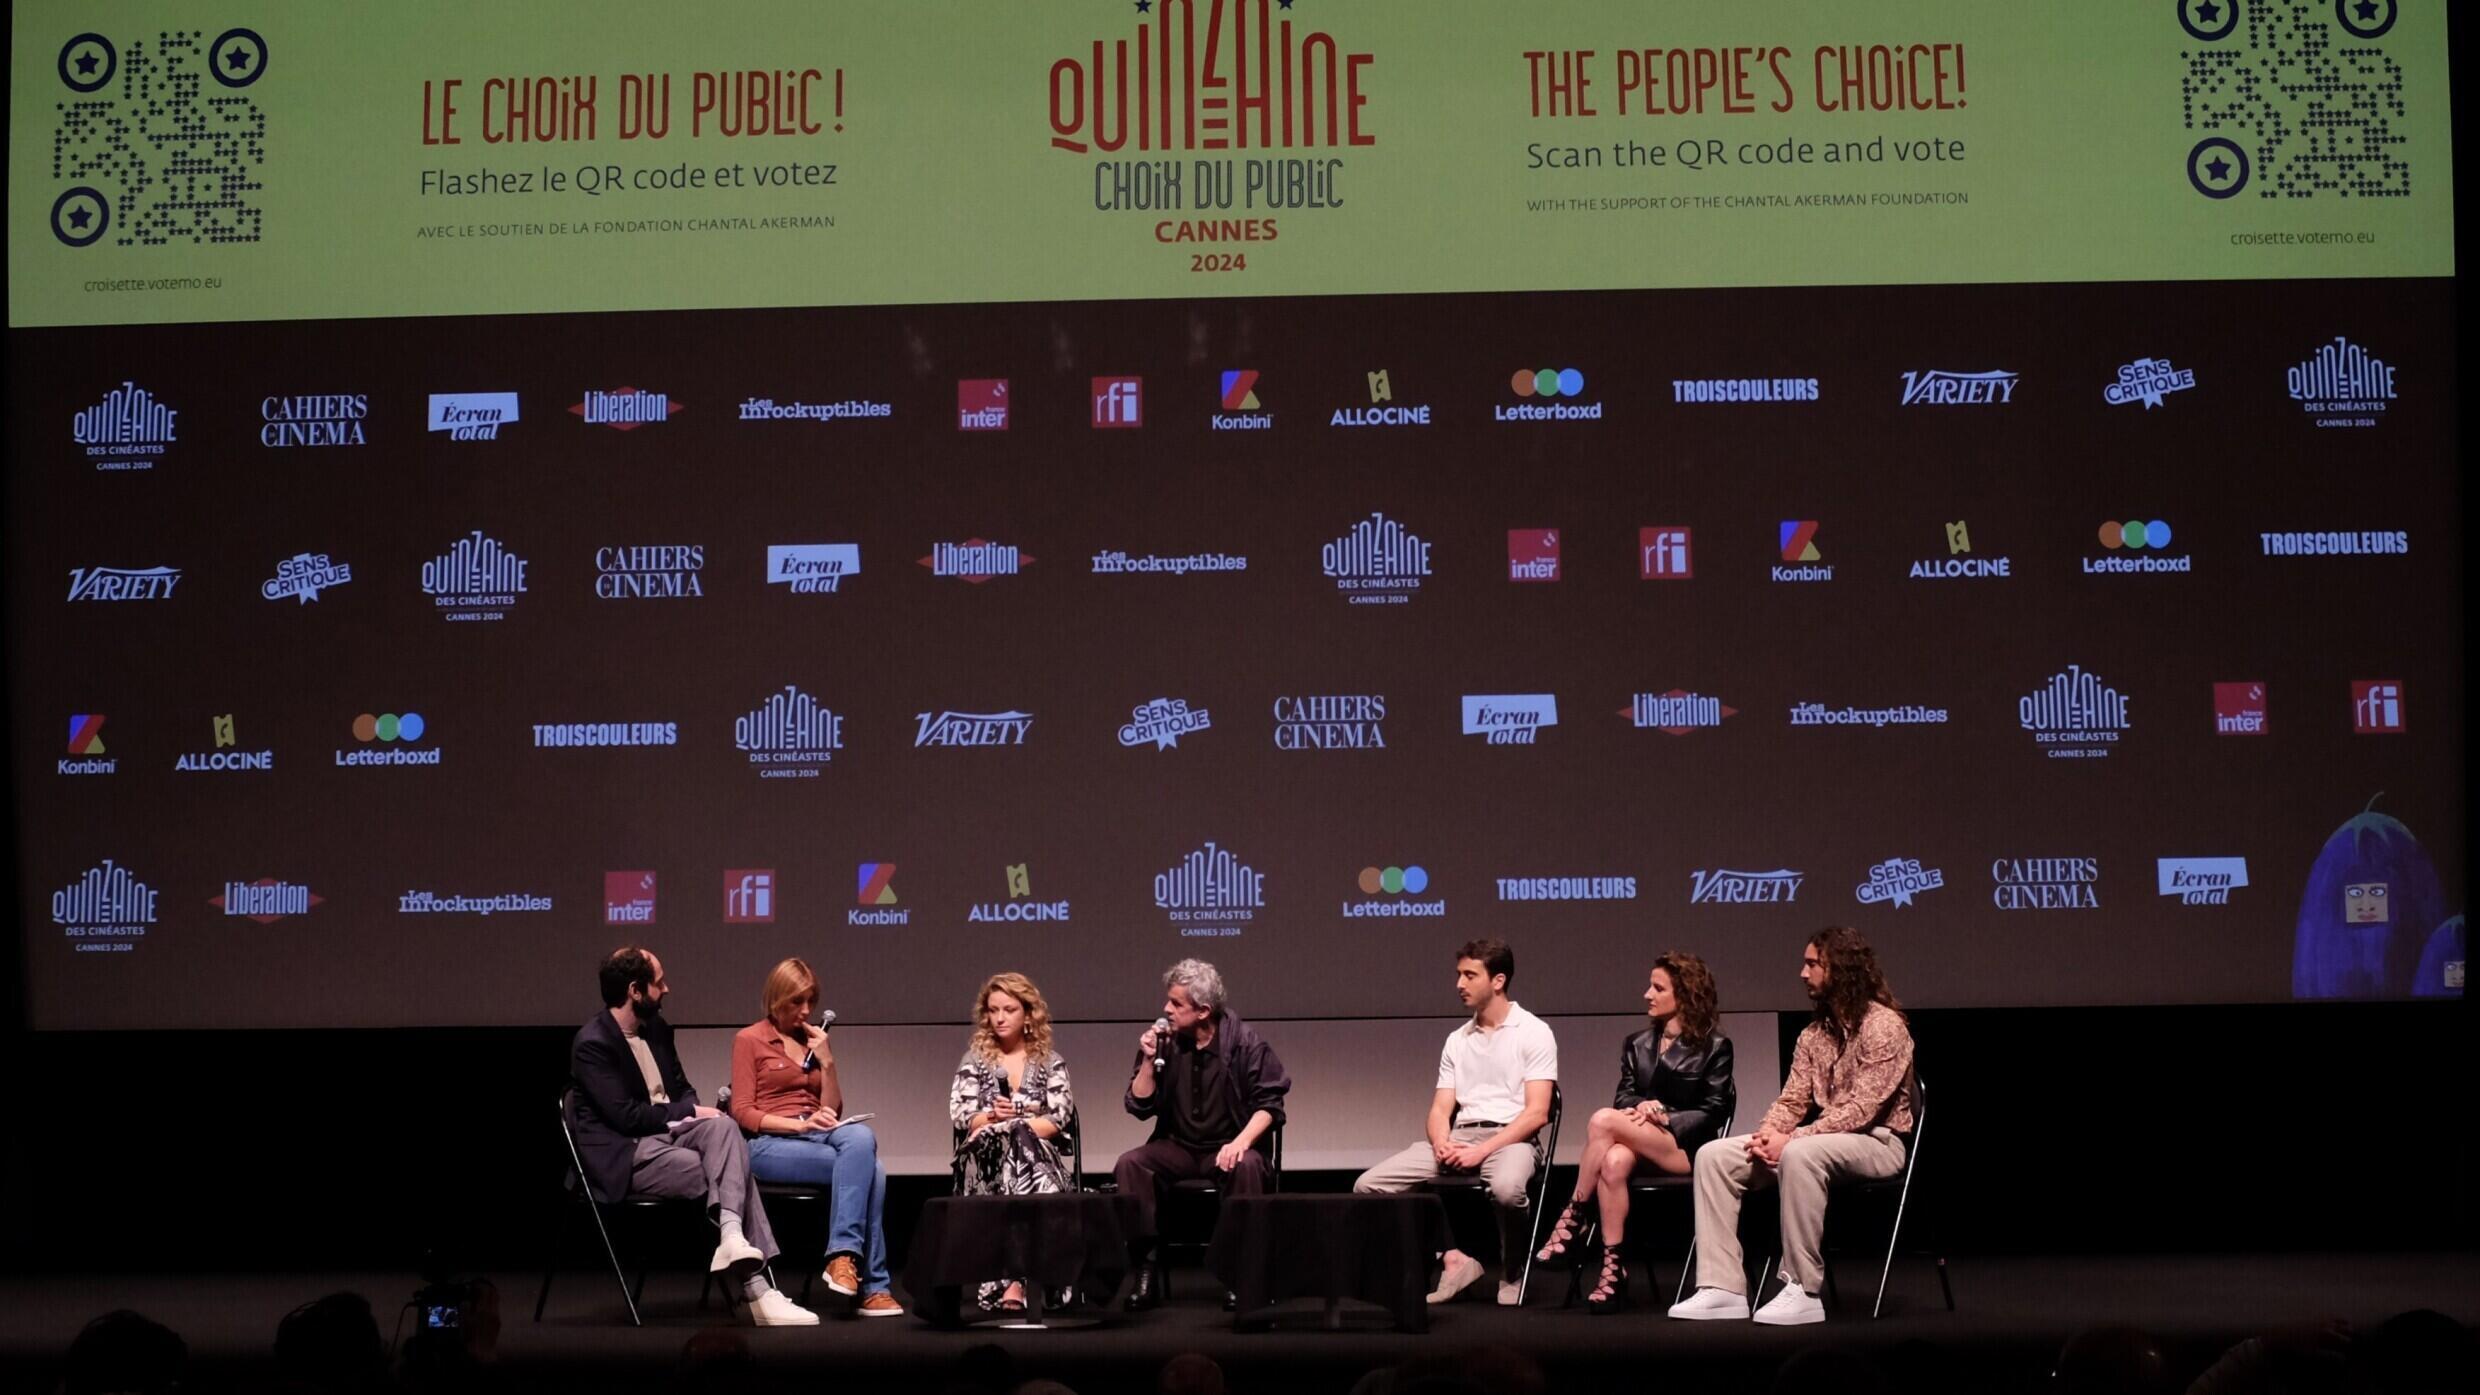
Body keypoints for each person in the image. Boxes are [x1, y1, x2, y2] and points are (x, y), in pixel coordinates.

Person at [1671, 926, 1914, 1326]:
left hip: (1877, 1141)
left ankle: (1802, 1289)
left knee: (1800, 1153)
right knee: (1713, 1155)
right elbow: (1793, 1100)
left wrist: (1792, 1138)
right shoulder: (1813, 1034)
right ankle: (1722, 1288)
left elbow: (1863, 1110)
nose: (1803, 973)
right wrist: (1768, 1135)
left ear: (1842, 970)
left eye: (1813, 964)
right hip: (1822, 1140)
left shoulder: (1885, 1027)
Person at [568, 946, 816, 1326]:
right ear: (635, 990)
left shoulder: (658, 1031)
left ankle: (732, 1238)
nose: (666, 989)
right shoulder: (592, 1044)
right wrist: (687, 1112)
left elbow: (682, 1089)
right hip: (626, 1151)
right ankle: (758, 1290)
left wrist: (692, 1112)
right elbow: (624, 1117)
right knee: (726, 1170)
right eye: (659, 982)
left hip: (670, 1135)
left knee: (724, 1126)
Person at [1354, 939, 1559, 1307]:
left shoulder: (1533, 1031)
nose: (1459, 984)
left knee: (1508, 1190)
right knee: (1368, 1187)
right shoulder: (1457, 1040)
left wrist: (1482, 1150)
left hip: (1512, 1139)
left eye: (1469, 975)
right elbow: (1439, 1109)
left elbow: (1537, 1113)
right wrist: (1441, 1141)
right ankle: (1452, 1258)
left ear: (1497, 981)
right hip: (1461, 1135)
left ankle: (1512, 1271)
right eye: (1458, 975)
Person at [1536, 951, 1736, 1311]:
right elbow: (1624, 1095)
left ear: (1686, 994)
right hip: (1640, 1142)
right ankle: (1613, 1273)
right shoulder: (1637, 1044)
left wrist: (1665, 1117)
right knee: (1612, 1161)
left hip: (1683, 1149)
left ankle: (1574, 1214)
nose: (1647, 994)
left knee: (1601, 1120)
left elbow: (1715, 1110)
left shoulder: (1715, 1047)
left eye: (1658, 987)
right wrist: (1640, 1106)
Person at [1114, 958, 1291, 1311]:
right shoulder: (1165, 1042)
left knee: (1249, 1166)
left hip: (1226, 1146)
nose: (1166, 1009)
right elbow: (1138, 1106)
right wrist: (1148, 1061)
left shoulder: (1245, 1043)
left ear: (1203, 1011)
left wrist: (1240, 1143)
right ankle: (1144, 1269)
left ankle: (1242, 1274)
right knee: (1130, 1164)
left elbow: (1270, 1106)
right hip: (1177, 1147)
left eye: (1176, 1004)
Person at [728, 957, 902, 1316]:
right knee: (876, 1171)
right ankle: (873, 1285)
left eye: (811, 1001)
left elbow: (833, 1110)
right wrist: (798, 1125)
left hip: (818, 1136)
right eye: (796, 1002)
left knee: (860, 1137)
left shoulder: (813, 1040)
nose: (805, 1011)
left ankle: (842, 1257)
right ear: (776, 999)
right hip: (770, 1144)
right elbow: (742, 1112)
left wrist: (828, 1062)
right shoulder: (749, 1039)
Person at [948, 971, 1078, 1312]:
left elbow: (1058, 1118)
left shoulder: (1050, 1062)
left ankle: (1015, 1283)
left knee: (1020, 1141)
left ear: (1028, 1015)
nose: (1000, 1018)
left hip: (1040, 1162)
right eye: (993, 1010)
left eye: (1009, 1009)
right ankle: (1025, 1280)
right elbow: (961, 1115)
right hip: (988, 1167)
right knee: (1013, 1146)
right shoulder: (975, 1061)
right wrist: (992, 1117)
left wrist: (1017, 1125)